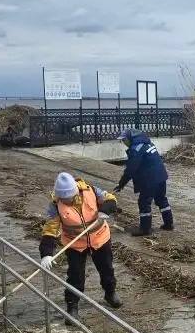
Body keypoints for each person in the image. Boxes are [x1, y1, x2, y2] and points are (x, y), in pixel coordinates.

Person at [39, 172, 122, 322]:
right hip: (75, 244)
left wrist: (105, 210)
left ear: (75, 191)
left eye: (69, 197)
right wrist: (46, 253)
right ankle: (72, 307)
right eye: (63, 198)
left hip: (100, 238)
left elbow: (110, 198)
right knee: (75, 276)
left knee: (107, 269)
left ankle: (110, 293)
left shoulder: (91, 191)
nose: (67, 201)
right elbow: (50, 230)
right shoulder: (56, 205)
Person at [114, 129, 172, 236]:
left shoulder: (136, 149)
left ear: (130, 139)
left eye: (124, 140)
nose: (124, 143)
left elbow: (130, 169)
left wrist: (121, 184)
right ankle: (169, 224)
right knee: (161, 199)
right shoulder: (147, 143)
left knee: (144, 202)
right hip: (161, 176)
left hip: (149, 179)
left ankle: (145, 229)